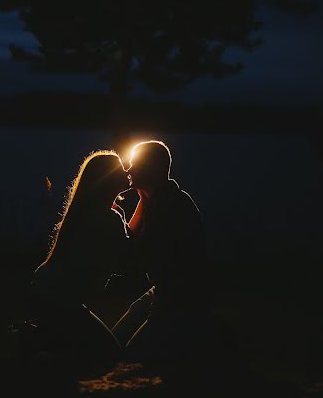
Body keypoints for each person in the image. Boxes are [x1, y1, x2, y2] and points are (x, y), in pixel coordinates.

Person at [21, 149, 132, 375]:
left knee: (93, 347)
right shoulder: (108, 218)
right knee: (108, 353)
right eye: (120, 167)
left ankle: (42, 337)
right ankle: (37, 342)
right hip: (60, 301)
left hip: (45, 292)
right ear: (108, 179)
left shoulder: (90, 212)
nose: (126, 171)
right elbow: (127, 262)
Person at [111, 140, 209, 371]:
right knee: (115, 341)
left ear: (152, 169)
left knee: (128, 355)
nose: (128, 170)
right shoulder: (154, 199)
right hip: (160, 293)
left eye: (134, 164)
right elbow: (130, 241)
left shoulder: (172, 208)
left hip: (180, 299)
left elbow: (132, 253)